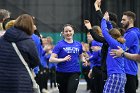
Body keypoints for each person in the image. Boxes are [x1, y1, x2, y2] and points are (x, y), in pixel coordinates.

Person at [0, 14, 40, 93]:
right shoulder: (28, 41)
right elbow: (35, 61)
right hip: (21, 80)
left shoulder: (2, 39)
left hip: (2, 79)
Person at [49, 24, 87, 93]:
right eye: (66, 31)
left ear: (73, 32)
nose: (68, 33)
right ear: (63, 33)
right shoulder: (59, 44)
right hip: (61, 73)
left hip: (74, 72)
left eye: (70, 31)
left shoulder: (78, 44)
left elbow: (81, 56)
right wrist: (63, 59)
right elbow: (51, 59)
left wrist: (84, 61)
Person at [101, 12, 126, 93]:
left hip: (115, 75)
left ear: (111, 37)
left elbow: (105, 32)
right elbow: (111, 31)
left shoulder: (114, 44)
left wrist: (104, 19)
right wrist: (108, 22)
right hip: (121, 76)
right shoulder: (119, 43)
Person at [121, 11, 139, 93]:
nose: (121, 22)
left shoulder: (132, 34)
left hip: (129, 71)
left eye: (124, 20)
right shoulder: (128, 33)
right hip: (128, 71)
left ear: (130, 20)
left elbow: (121, 49)